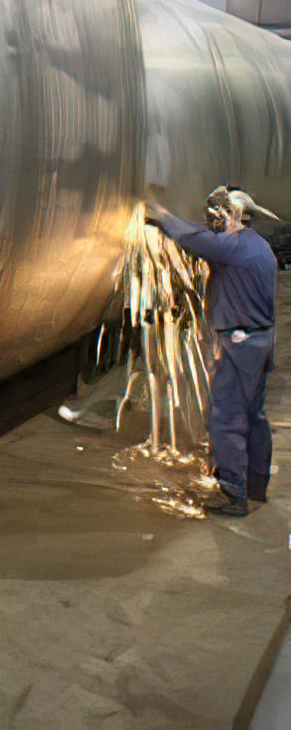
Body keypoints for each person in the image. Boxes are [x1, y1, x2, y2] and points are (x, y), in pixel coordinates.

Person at [148, 186, 278, 517]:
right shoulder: (258, 246)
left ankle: (232, 493)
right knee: (254, 416)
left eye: (218, 215)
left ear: (232, 216)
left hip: (239, 344)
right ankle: (255, 487)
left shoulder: (229, 249)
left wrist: (158, 214)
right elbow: (202, 233)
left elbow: (189, 237)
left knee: (226, 416)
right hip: (261, 340)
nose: (212, 220)